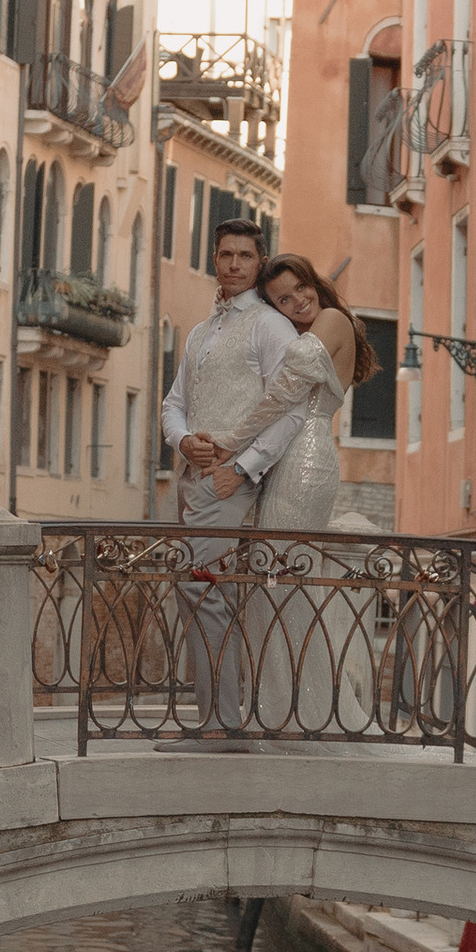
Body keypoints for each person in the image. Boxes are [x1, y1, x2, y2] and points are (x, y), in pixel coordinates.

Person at [202, 258, 380, 734]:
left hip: (306, 459)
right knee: (274, 584)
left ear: (315, 284)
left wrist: (230, 443)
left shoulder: (332, 319)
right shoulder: (310, 326)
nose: (299, 300)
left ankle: (303, 713)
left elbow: (283, 392)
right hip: (289, 456)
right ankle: (281, 706)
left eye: (302, 288)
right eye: (284, 298)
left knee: (283, 584)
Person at [159, 215, 296, 742]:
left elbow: (288, 409)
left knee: (200, 585)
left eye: (244, 256)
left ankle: (222, 722)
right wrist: (181, 439)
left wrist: (241, 469)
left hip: (232, 480)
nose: (234, 264)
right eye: (225, 255)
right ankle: (214, 717)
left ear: (259, 263)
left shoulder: (269, 325)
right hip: (191, 475)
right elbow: (174, 403)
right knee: (193, 587)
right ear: (213, 259)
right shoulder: (199, 332)